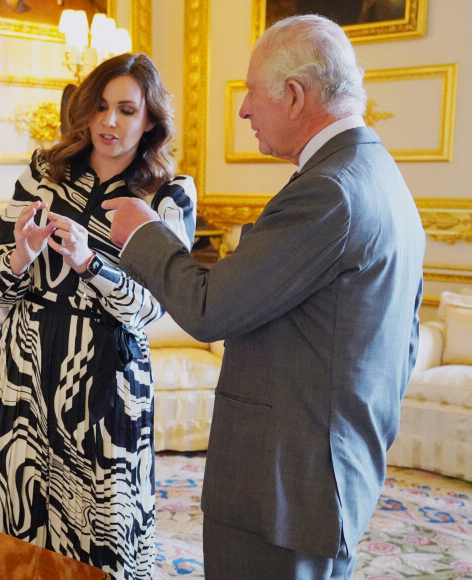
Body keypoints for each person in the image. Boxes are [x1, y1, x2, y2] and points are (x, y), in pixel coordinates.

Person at [103, 15, 425, 580]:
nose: (245, 109)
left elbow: (210, 308)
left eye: (252, 91)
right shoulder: (377, 171)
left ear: (295, 96)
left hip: (284, 491)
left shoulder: (330, 191)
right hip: (325, 475)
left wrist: (143, 231)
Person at [0, 52, 196, 579]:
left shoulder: (168, 195)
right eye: (99, 107)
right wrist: (21, 256)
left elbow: (152, 308)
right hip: (22, 375)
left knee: (104, 536)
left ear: (149, 121)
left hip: (106, 383)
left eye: (126, 110)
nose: (109, 122)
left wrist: (90, 263)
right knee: (17, 523)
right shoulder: (42, 175)